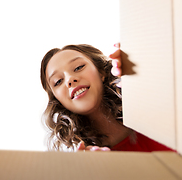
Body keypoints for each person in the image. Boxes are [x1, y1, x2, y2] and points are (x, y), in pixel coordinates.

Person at [40, 44, 174, 152]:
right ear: (58, 101)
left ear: (101, 72)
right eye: (58, 81)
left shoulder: (157, 111)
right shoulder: (86, 162)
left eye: (79, 67)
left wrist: (148, 70)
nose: (70, 80)